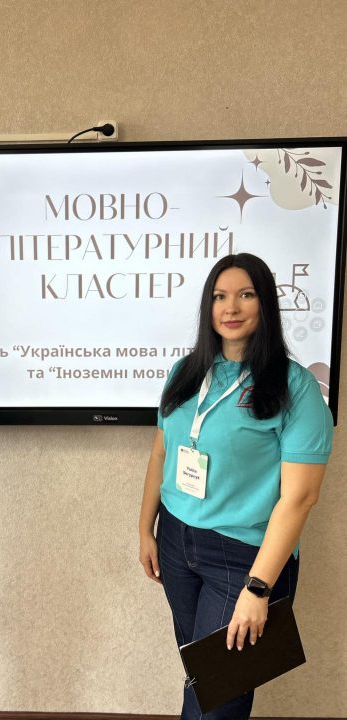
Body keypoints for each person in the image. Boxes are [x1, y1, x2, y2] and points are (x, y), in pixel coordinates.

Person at [139, 253, 333, 720]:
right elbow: (162, 454)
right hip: (176, 541)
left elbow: (300, 497)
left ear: (265, 303)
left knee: (220, 695)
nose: (231, 307)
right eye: (219, 296)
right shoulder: (185, 372)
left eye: (245, 295)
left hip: (244, 555)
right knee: (200, 676)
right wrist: (145, 528)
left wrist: (258, 588)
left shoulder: (296, 387)